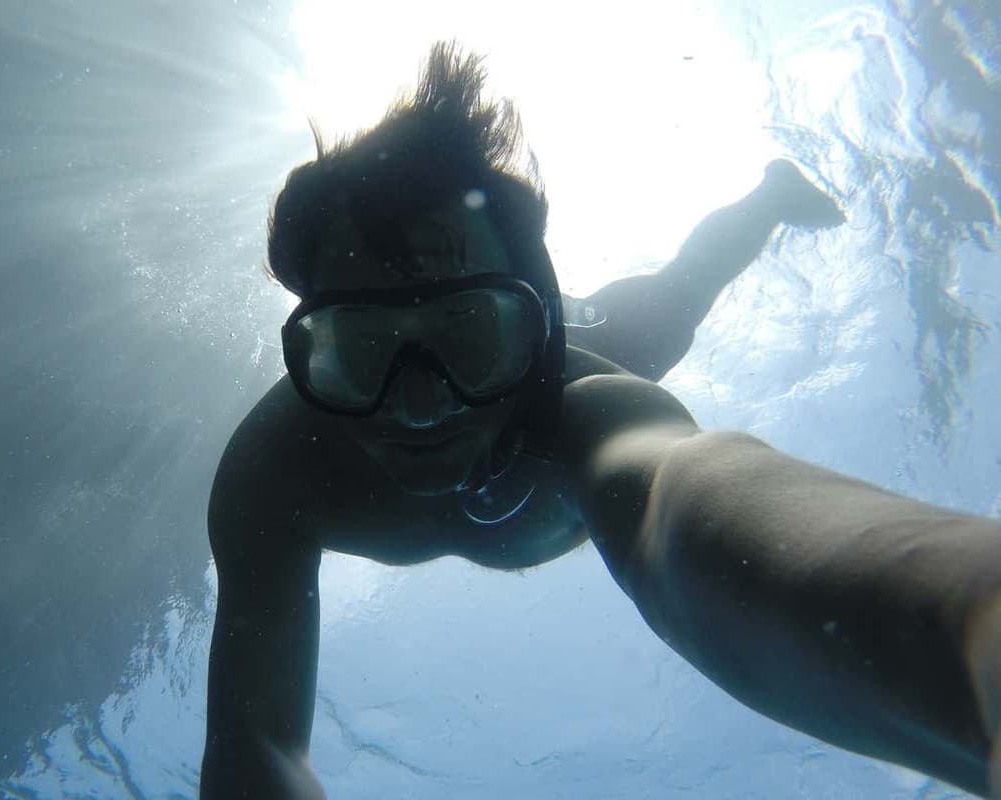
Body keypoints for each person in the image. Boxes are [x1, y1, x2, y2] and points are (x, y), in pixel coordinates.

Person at [200, 42, 1000, 799]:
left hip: (606, 330)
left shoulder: (593, 405)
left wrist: (971, 633)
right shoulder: (273, 475)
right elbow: (257, 745)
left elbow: (678, 493)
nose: (420, 405)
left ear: (534, 323)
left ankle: (769, 193)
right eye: (361, 348)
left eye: (469, 335)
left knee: (686, 287)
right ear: (310, 348)